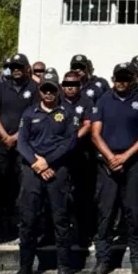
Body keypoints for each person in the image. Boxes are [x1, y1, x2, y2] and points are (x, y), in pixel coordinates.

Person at [89, 63, 138, 274]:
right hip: (108, 164)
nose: (122, 82)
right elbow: (95, 133)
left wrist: (125, 156)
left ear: (132, 79)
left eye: (126, 78)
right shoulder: (104, 100)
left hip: (133, 163)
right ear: (113, 78)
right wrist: (110, 157)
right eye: (118, 78)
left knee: (134, 213)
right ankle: (102, 261)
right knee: (105, 214)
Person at [12, 73, 78, 274]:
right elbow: (22, 142)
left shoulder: (67, 112)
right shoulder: (30, 112)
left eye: (52, 89)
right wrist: (36, 163)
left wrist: (47, 162)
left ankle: (64, 268)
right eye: (44, 89)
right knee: (28, 220)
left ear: (58, 89)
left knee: (60, 219)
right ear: (39, 91)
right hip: (32, 170)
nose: (48, 93)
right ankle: (24, 268)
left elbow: (69, 142)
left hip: (57, 170)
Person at [0, 53, 39, 239]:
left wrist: (16, 137)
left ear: (28, 68)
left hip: (24, 145)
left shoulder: (35, 88)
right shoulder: (2, 87)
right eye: (13, 66)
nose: (16, 70)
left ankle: (22, 223)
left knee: (22, 184)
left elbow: (35, 116)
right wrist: (4, 136)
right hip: (3, 144)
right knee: (1, 183)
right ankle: (1, 223)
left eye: (20, 66)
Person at [61, 70, 96, 246]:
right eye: (67, 85)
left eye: (74, 85)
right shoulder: (56, 101)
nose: (70, 88)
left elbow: (88, 124)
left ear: (79, 86)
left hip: (81, 154)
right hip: (60, 156)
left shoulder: (86, 101)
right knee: (61, 196)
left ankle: (84, 233)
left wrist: (72, 138)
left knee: (83, 195)